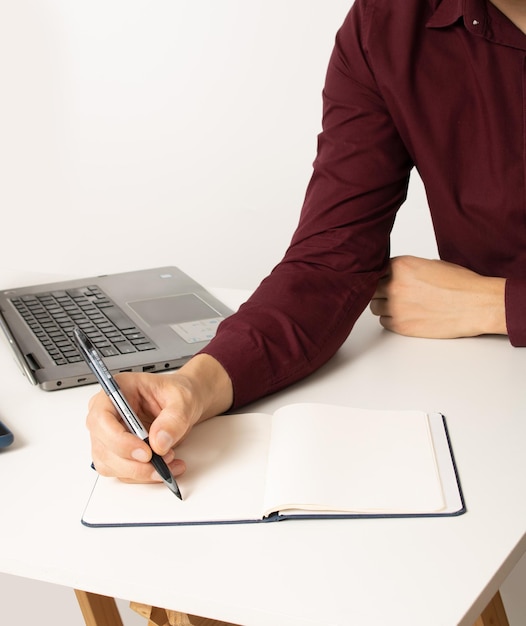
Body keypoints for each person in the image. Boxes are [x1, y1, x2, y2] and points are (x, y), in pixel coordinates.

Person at [86, 0, 526, 484]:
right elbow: (330, 260)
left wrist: (495, 304)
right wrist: (193, 385)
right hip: (492, 409)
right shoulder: (387, 23)